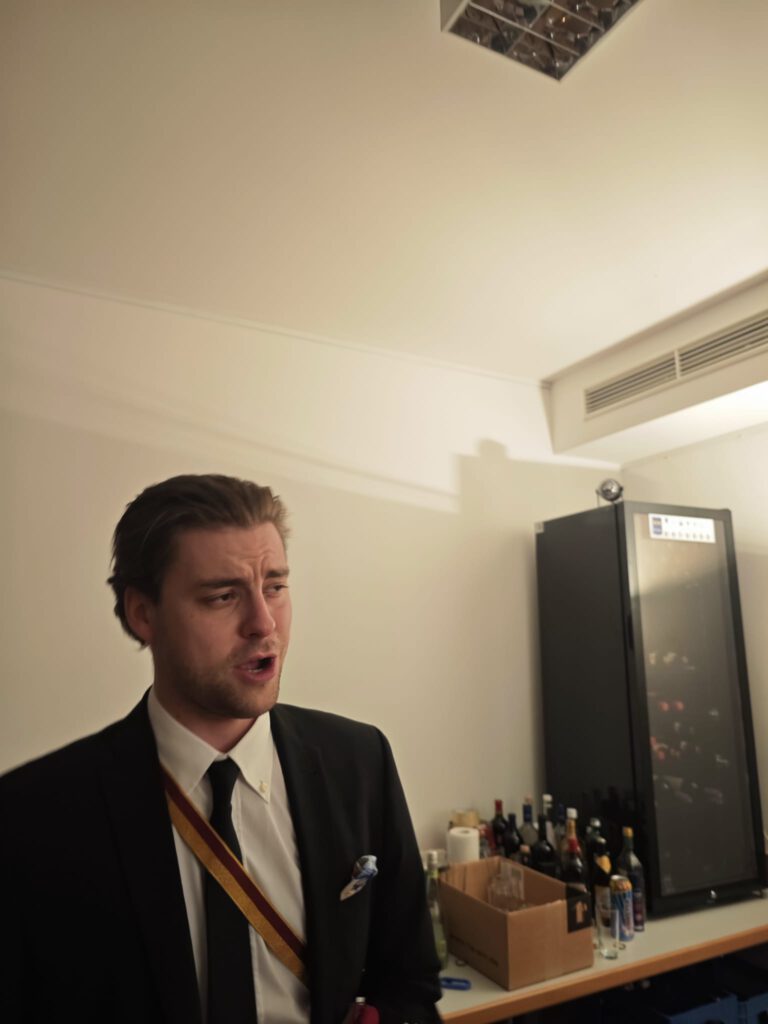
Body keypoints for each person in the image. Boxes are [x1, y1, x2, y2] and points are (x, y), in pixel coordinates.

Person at [0, 474, 442, 1024]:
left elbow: (411, 984)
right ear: (143, 614)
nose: (263, 623)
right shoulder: (33, 816)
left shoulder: (359, 760)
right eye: (223, 596)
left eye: (275, 587)